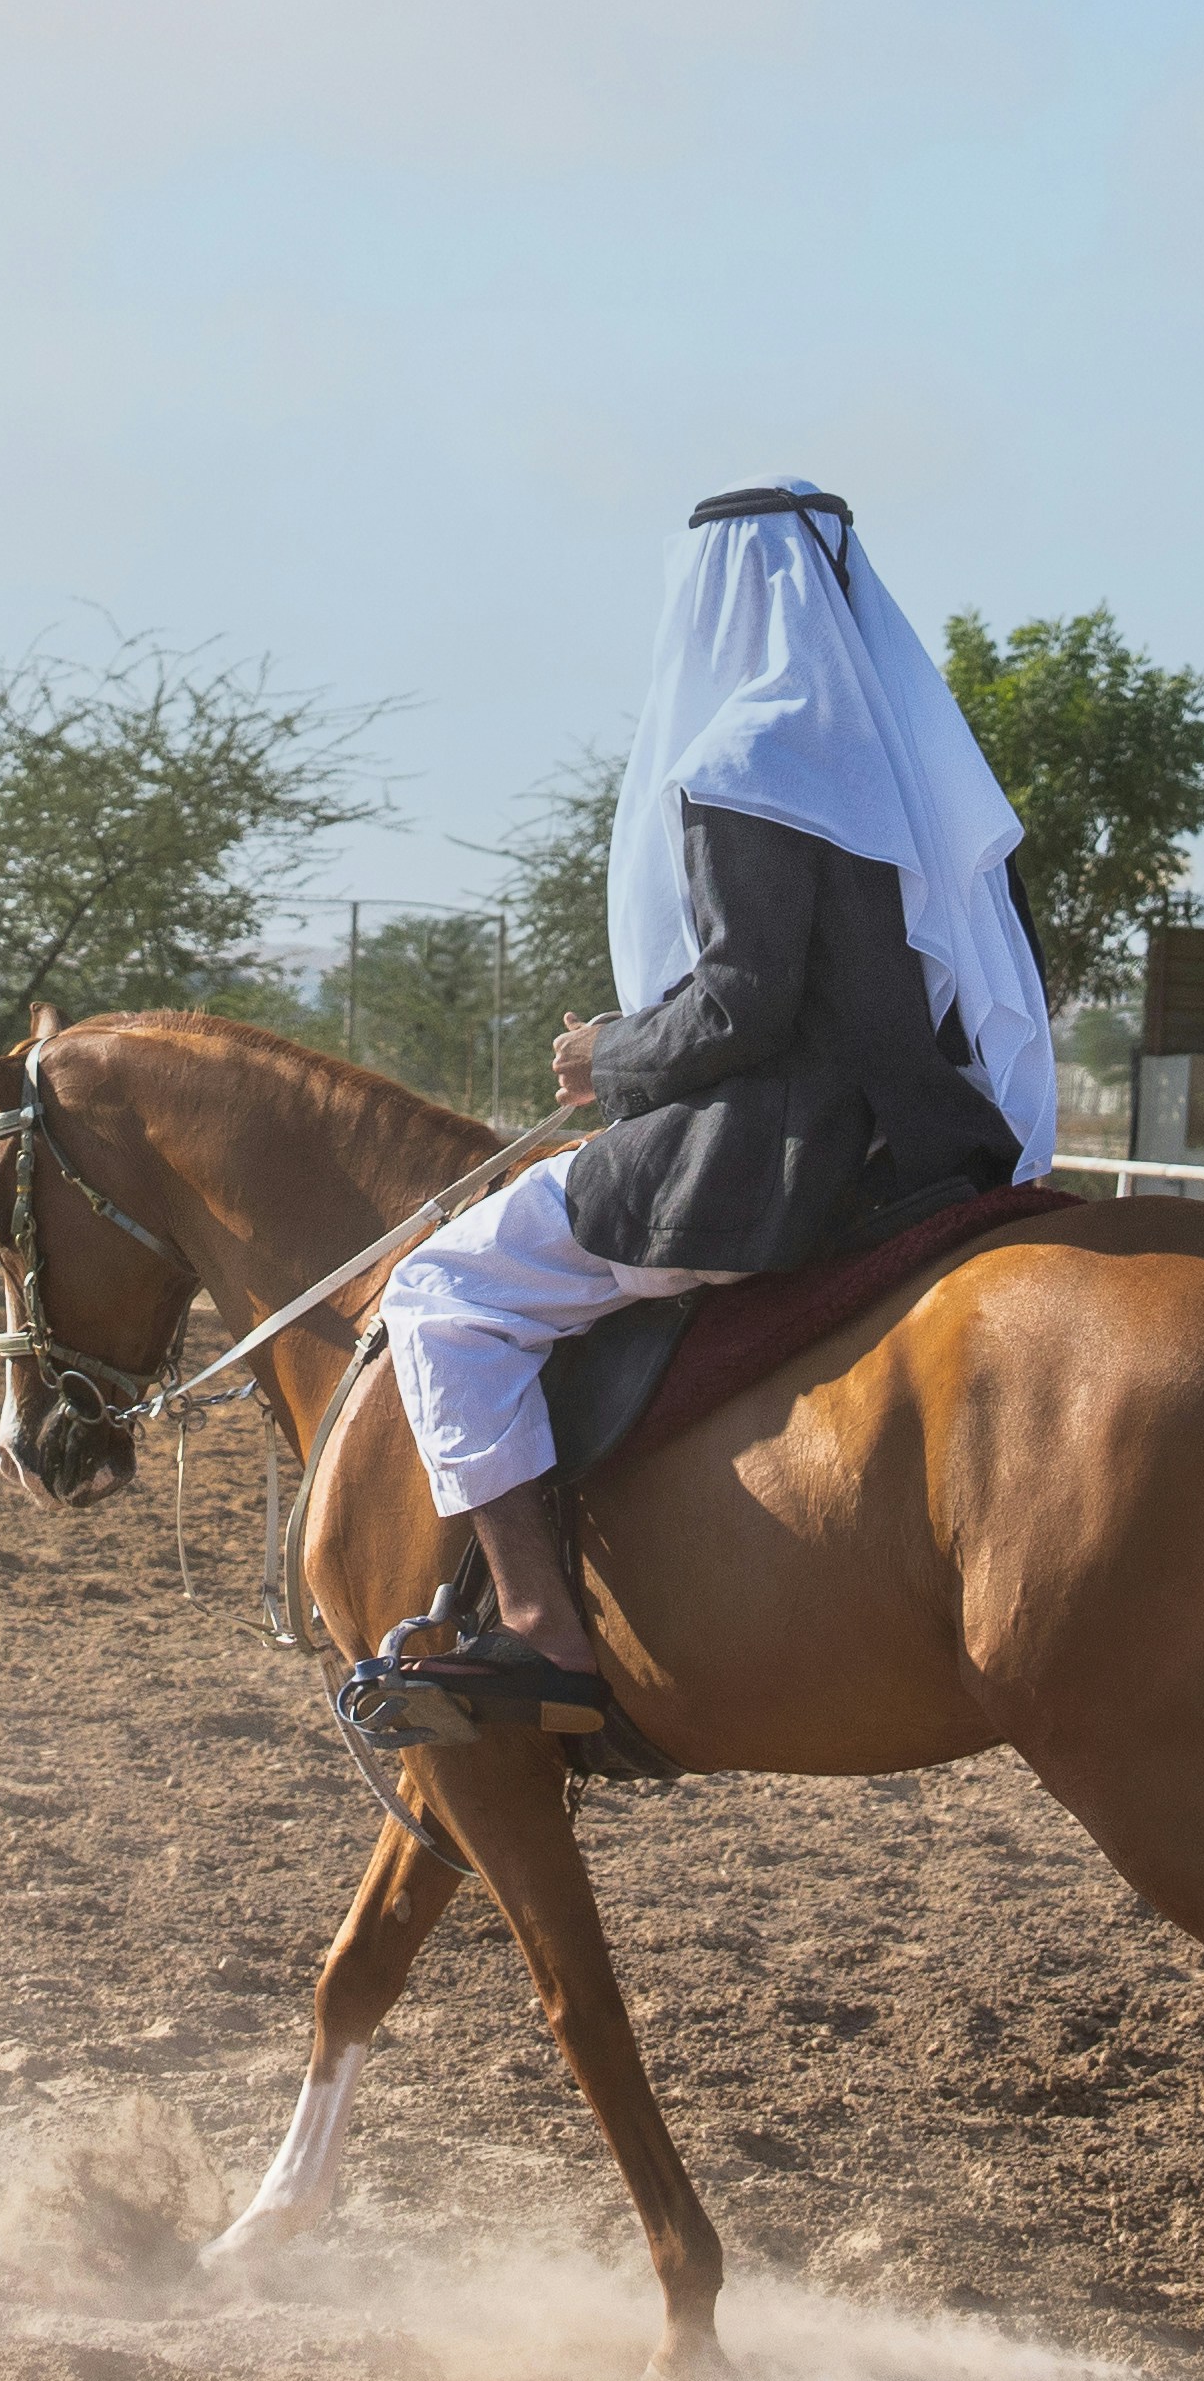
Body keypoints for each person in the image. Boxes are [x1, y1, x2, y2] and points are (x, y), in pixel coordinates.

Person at [357, 483, 1056, 1729]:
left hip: (778, 1158)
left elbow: (742, 1000)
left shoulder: (748, 756)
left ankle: (536, 1632)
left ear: (719, 594)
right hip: (935, 1143)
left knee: (442, 1291)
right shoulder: (906, 749)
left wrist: (609, 1058)